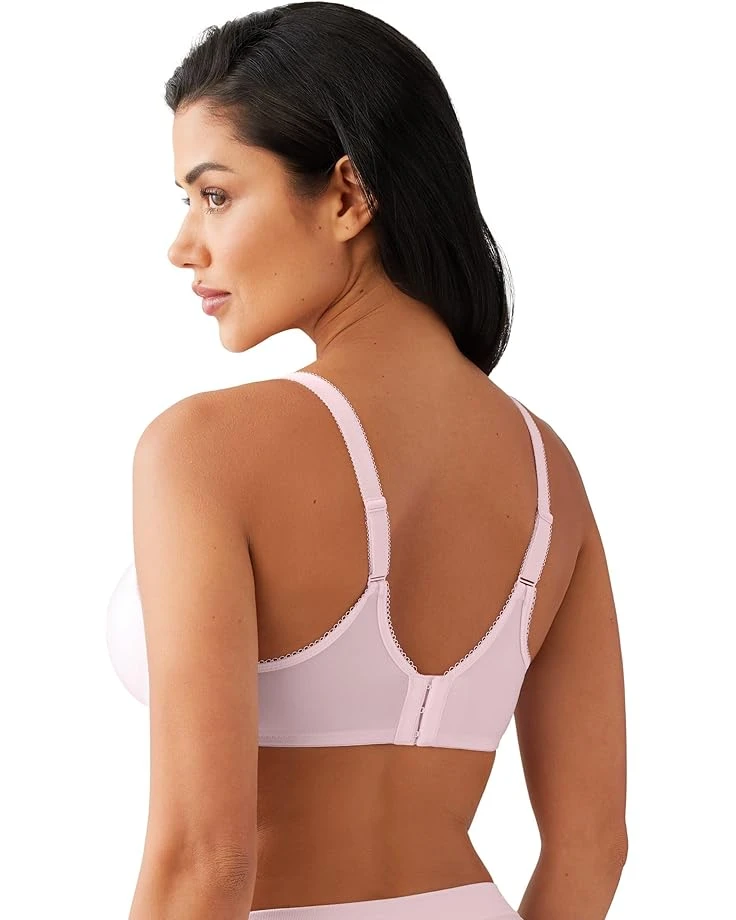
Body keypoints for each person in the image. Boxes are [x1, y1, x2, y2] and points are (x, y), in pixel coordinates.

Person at [122, 3, 628, 917]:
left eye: (216, 196)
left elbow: (206, 859)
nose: (182, 246)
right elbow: (593, 847)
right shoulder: (550, 470)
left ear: (349, 196)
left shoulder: (204, 449)